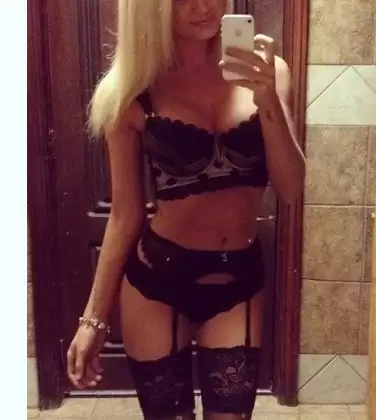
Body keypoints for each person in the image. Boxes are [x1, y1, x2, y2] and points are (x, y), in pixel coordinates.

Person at [66, 0, 305, 418]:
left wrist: (267, 97)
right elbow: (124, 214)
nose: (202, 6)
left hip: (238, 280)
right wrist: (92, 321)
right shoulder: (131, 91)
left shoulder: (270, 72)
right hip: (157, 282)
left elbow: (290, 188)